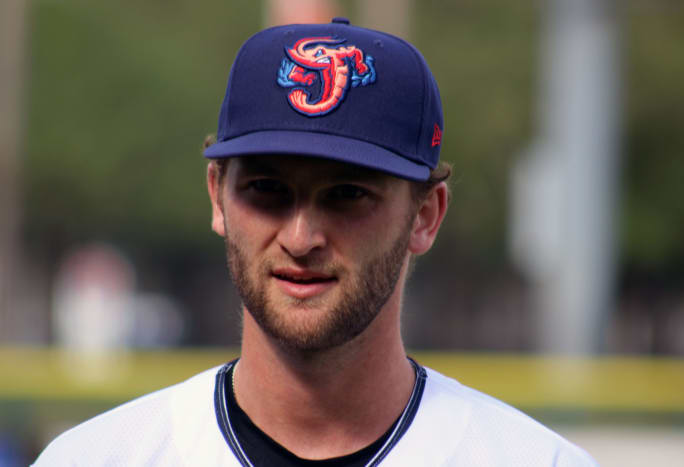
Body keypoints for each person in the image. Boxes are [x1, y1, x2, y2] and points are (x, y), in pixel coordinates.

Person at [34, 18, 596, 466]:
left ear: (426, 215)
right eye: (267, 189)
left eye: (347, 194)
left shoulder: (533, 460)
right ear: (217, 196)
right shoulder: (98, 458)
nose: (301, 238)